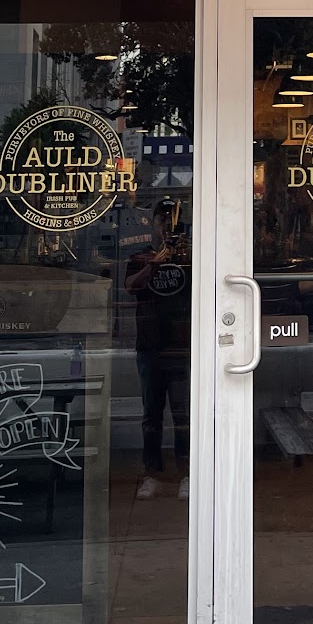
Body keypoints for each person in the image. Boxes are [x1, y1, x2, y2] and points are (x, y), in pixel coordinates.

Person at [125, 198, 192, 499]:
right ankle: (151, 474)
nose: (166, 227)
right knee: (151, 415)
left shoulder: (190, 256)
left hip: (181, 347)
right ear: (152, 224)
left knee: (183, 415)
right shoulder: (140, 256)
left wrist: (185, 257)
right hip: (150, 346)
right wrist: (153, 265)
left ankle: (187, 474)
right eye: (161, 220)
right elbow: (130, 287)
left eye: (171, 222)